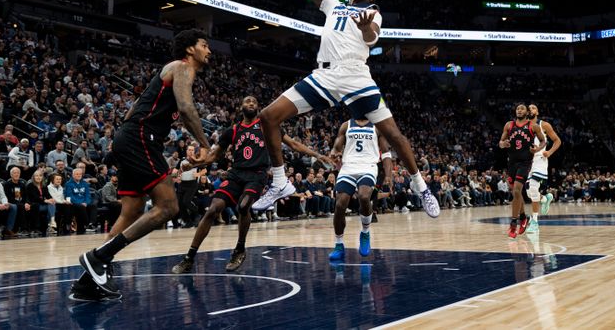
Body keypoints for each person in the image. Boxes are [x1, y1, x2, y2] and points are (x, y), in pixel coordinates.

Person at [251, 0, 439, 219]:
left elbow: (372, 37)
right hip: (324, 75)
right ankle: (279, 182)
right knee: (268, 116)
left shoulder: (373, 12)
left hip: (355, 75)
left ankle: (421, 186)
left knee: (393, 134)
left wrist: (366, 29)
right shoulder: (334, 5)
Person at [74, 29, 212, 302]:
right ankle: (98, 256)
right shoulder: (182, 68)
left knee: (132, 210)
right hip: (141, 137)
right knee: (169, 206)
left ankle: (90, 279)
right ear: (189, 49)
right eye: (204, 44)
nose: (209, 50)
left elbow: (132, 108)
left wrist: (119, 142)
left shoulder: (169, 72)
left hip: (130, 135)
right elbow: (185, 109)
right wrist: (205, 144)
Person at [172, 96, 326, 274]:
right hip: (236, 174)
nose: (251, 103)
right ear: (241, 107)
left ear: (258, 106)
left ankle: (239, 249)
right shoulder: (232, 131)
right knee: (213, 209)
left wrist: (317, 154)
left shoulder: (267, 126)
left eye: (254, 101)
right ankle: (189, 258)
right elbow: (214, 156)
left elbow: (293, 143)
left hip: (257, 175)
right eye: (247, 101)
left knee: (243, 206)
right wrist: (193, 164)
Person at [328, 118, 393, 261]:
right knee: (340, 205)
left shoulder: (377, 127)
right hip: (348, 167)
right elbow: (336, 148)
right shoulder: (346, 125)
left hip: (368, 166)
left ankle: (365, 232)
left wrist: (388, 175)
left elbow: (386, 152)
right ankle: (339, 245)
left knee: (364, 197)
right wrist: (335, 153)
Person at [498, 104, 545, 239]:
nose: (519, 110)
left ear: (527, 112)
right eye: (518, 109)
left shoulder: (533, 126)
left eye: (522, 109)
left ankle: (514, 223)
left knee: (517, 191)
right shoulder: (509, 125)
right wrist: (503, 144)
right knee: (516, 193)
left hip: (525, 163)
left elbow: (543, 141)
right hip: (511, 162)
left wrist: (537, 149)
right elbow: (500, 142)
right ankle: (524, 217)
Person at [525, 104, 562, 234]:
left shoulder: (544, 125)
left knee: (534, 188)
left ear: (537, 112)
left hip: (540, 159)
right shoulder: (523, 126)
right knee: (530, 193)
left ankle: (534, 221)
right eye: (528, 108)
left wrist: (549, 152)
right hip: (527, 162)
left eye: (533, 107)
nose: (530, 109)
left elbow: (557, 141)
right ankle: (545, 199)